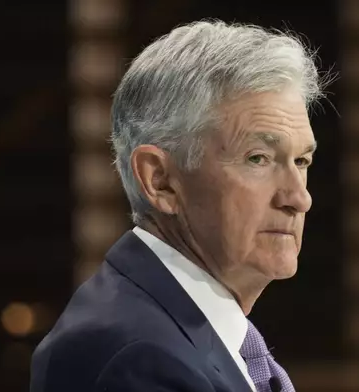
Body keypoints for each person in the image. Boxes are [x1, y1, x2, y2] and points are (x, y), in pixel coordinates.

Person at [31, 20, 327, 392]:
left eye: (301, 162)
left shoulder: (185, 333)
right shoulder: (136, 357)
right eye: (258, 158)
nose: (299, 198)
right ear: (161, 181)